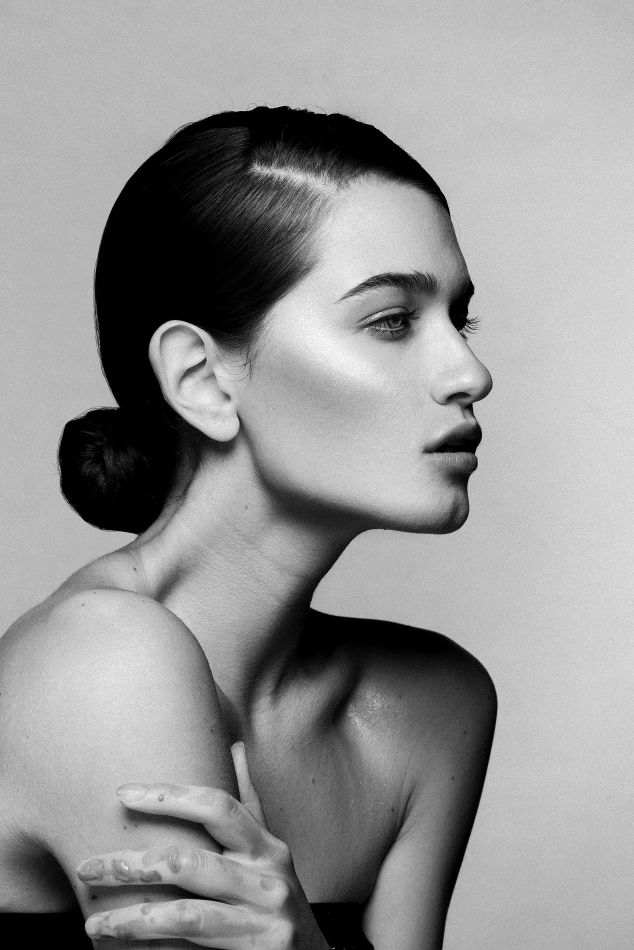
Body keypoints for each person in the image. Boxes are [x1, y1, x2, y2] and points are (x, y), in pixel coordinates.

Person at [0, 106, 496, 950]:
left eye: (460, 318)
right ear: (201, 378)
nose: (470, 373)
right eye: (391, 321)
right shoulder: (102, 660)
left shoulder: (432, 705)